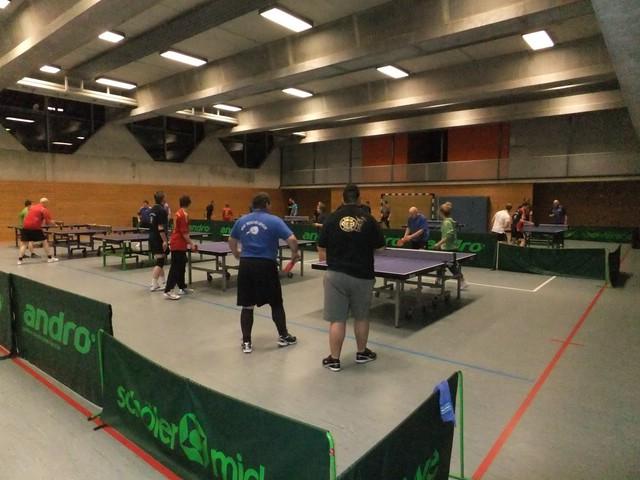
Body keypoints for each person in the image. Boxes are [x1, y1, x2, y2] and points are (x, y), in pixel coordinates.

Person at [317, 184, 385, 372]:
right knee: (362, 317)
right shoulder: (369, 220)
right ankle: (362, 353)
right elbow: (380, 248)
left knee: (337, 320)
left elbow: (321, 247)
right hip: (363, 275)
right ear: (359, 199)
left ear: (343, 198)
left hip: (336, 275)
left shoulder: (331, 219)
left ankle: (334, 360)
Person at [229, 192, 299, 354]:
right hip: (266, 265)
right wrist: (295, 253)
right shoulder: (274, 220)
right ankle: (284, 336)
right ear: (267, 204)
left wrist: (237, 254)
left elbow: (231, 240)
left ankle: (246, 342)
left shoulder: (242, 220)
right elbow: (292, 240)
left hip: (246, 265)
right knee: (276, 303)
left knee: (247, 306)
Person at [164, 195, 193, 300]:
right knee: (175, 268)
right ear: (189, 203)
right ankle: (168, 290)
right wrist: (192, 244)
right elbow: (184, 233)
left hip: (179, 244)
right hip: (178, 244)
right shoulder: (183, 214)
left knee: (181, 266)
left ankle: (182, 287)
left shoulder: (178, 212)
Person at [433, 202, 467, 289]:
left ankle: (462, 281)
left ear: (441, 212)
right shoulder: (450, 220)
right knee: (440, 265)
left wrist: (438, 244)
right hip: (446, 247)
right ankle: (438, 280)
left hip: (449, 248)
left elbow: (449, 235)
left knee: (452, 266)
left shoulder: (447, 222)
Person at [18, 198, 58, 265]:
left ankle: (19, 260)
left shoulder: (32, 207)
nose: (47, 204)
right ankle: (50, 258)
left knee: (24, 244)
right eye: (47, 203)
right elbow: (48, 222)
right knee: (44, 242)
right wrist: (55, 224)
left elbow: (31, 216)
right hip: (35, 228)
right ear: (44, 203)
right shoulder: (44, 209)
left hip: (25, 227)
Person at [149, 191, 170, 291]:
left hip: (152, 237)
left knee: (160, 260)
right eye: (165, 197)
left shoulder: (152, 209)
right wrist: (165, 241)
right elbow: (160, 227)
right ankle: (154, 284)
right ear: (162, 199)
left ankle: (163, 282)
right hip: (158, 238)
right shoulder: (161, 210)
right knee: (160, 262)